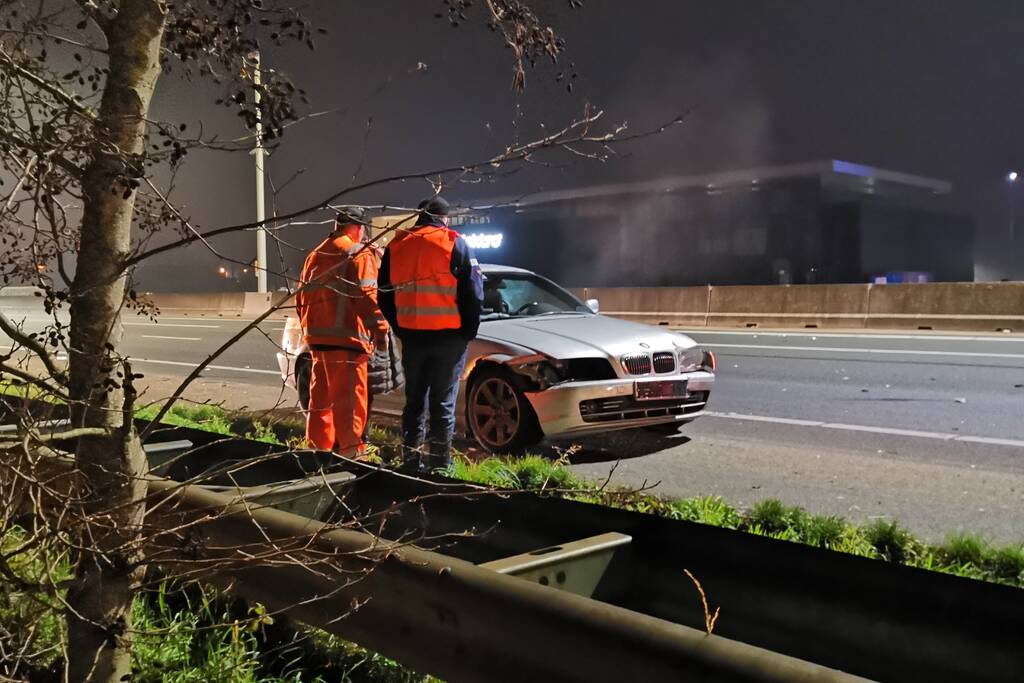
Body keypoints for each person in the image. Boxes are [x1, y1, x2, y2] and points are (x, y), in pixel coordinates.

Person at [378, 196, 483, 472]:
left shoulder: (397, 245)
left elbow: (383, 295)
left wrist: (401, 326)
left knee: (414, 404)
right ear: (444, 218)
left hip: (413, 337)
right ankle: (440, 467)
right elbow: (473, 293)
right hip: (448, 338)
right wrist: (467, 332)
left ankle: (410, 462)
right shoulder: (453, 242)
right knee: (442, 405)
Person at [295, 207, 388, 457]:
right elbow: (367, 297)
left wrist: (309, 329)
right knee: (349, 407)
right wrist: (380, 331)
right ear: (359, 228)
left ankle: (317, 455)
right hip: (347, 342)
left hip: (317, 341)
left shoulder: (315, 254)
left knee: (319, 406)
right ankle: (352, 457)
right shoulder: (356, 253)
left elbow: (300, 297)